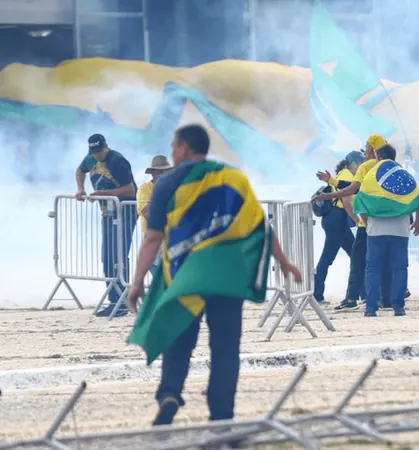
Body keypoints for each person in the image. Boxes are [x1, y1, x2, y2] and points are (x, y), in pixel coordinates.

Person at [125, 124, 302, 429]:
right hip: (226, 277)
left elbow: (152, 238)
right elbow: (258, 224)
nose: (172, 152)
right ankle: (221, 416)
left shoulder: (167, 185)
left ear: (184, 147)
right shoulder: (233, 177)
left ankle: (169, 393)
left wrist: (138, 280)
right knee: (225, 347)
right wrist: (284, 261)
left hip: (186, 277)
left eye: (173, 146)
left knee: (179, 339)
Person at [316, 135, 409, 311]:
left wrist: (329, 190)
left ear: (374, 150)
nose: (365, 150)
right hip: (394, 220)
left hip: (369, 222)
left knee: (361, 261)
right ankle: (390, 298)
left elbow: (353, 188)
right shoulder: (396, 168)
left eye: (367, 147)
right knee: (391, 262)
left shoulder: (367, 167)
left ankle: (355, 299)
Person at [352, 144, 419, 316]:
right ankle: (398, 307)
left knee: (373, 268)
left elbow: (360, 201)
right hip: (400, 230)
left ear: (378, 157)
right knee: (399, 268)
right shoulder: (403, 174)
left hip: (376, 230)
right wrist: (418, 222)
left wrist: (367, 222)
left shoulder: (372, 175)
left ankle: (371, 308)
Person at [75, 133, 137, 317]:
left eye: (99, 151)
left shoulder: (117, 161)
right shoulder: (90, 158)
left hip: (125, 212)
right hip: (108, 213)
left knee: (119, 254)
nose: (97, 156)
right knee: (107, 256)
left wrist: (102, 193)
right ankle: (114, 299)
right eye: (94, 152)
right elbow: (80, 171)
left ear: (105, 147)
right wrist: (81, 188)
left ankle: (122, 301)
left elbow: (130, 190)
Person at [313, 151, 363, 304]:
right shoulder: (348, 175)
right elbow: (346, 201)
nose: (361, 167)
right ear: (353, 164)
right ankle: (316, 294)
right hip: (337, 219)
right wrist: (358, 221)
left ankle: (360, 293)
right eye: (360, 164)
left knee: (355, 254)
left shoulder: (343, 173)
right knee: (333, 256)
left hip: (335, 219)